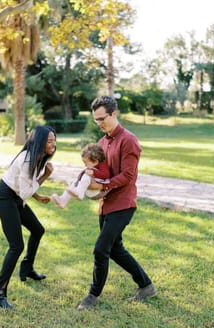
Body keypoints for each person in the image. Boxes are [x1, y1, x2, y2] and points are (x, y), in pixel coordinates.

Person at [77, 96, 156, 310]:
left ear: (114, 114)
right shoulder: (102, 143)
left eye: (102, 118)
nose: (99, 123)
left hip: (123, 204)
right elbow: (100, 171)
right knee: (115, 249)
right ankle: (146, 286)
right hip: (106, 205)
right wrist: (86, 177)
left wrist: (103, 186)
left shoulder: (129, 140)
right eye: (96, 120)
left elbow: (128, 176)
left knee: (101, 249)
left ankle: (92, 296)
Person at [0, 125, 56, 309]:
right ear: (40, 142)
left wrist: (37, 195)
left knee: (37, 230)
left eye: (54, 140)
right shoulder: (27, 160)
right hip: (4, 198)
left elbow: (24, 185)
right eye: (50, 141)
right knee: (16, 245)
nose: (54, 144)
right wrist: (45, 177)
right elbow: (25, 190)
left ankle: (27, 268)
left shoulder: (38, 157)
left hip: (16, 197)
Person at [51, 143, 110, 209]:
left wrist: (93, 172)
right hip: (90, 189)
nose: (85, 165)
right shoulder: (93, 166)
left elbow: (106, 175)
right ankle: (63, 200)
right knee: (74, 182)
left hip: (97, 191)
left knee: (86, 176)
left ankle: (80, 193)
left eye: (86, 163)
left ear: (95, 162)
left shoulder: (102, 165)